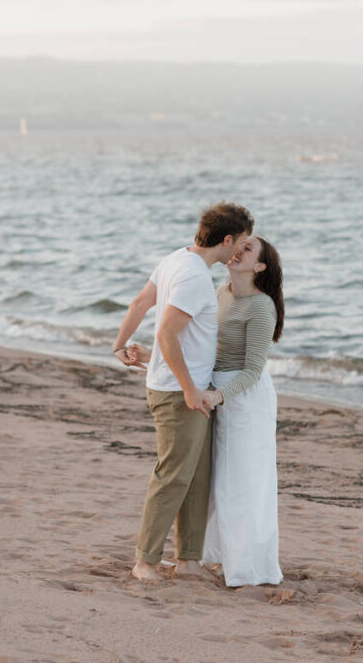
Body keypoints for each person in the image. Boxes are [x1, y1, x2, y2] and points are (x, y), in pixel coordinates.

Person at [112, 201, 253, 582]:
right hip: (179, 394)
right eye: (240, 243)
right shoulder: (192, 275)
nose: (241, 251)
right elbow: (166, 333)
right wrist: (190, 390)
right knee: (173, 476)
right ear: (226, 240)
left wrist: (120, 344)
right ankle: (145, 562)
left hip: (187, 389)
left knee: (198, 476)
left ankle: (189, 560)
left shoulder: (177, 259)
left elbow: (141, 302)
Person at [200, 236, 285, 587]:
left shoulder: (262, 307)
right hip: (217, 391)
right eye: (239, 244)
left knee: (245, 482)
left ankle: (249, 567)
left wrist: (219, 397)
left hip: (245, 400)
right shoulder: (219, 295)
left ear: (259, 267)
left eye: (248, 249)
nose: (238, 250)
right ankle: (215, 555)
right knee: (219, 478)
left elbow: (252, 371)